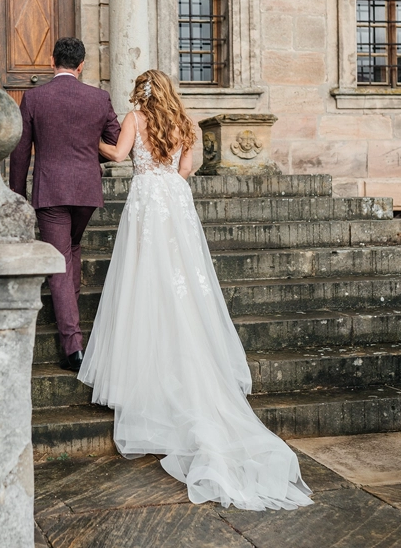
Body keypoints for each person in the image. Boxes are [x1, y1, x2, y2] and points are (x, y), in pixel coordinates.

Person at [78, 69, 313, 510]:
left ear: (141, 93)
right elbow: (187, 169)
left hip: (147, 198)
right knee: (183, 273)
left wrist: (91, 139)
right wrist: (168, 175)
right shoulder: (184, 122)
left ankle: (145, 367)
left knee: (142, 275)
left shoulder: (135, 118)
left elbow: (117, 154)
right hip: (174, 198)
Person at [10, 37, 121, 372]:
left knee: (58, 261)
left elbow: (20, 151)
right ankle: (70, 313)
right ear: (81, 64)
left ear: (51, 60)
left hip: (52, 191)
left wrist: (18, 195)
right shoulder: (99, 98)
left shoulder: (34, 97)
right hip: (86, 190)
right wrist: (87, 148)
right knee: (71, 248)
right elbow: (115, 142)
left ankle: (73, 348)